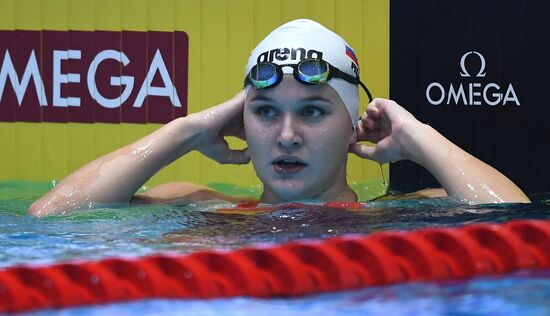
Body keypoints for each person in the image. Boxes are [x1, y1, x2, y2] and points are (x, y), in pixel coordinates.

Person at [28, 19, 529, 217]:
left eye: (312, 111)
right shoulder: (200, 208)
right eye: (265, 113)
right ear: (242, 121)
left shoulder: (407, 216)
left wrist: (418, 136)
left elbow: (514, 223)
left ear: (354, 125)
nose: (286, 136)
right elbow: (52, 216)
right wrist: (185, 131)